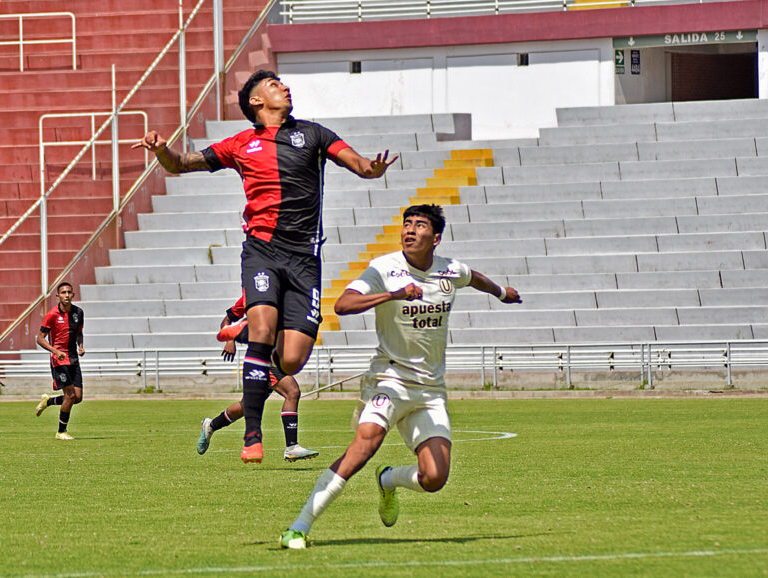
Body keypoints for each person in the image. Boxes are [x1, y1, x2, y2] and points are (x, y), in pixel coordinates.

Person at [134, 70, 397, 463]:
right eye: (275, 85)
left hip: (305, 259)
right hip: (262, 250)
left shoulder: (313, 134)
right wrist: (161, 151)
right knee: (261, 332)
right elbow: (181, 163)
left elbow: (354, 161)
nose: (285, 87)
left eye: (284, 84)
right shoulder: (241, 144)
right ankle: (252, 436)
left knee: (291, 360)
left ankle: (253, 333)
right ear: (256, 101)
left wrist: (368, 170)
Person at [279, 204, 521, 550]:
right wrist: (393, 294)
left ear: (435, 238)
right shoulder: (384, 268)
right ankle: (299, 526)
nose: (409, 230)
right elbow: (343, 305)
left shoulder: (450, 270)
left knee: (435, 478)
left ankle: (388, 478)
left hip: (430, 391)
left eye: (419, 225)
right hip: (388, 379)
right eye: (406, 224)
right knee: (366, 443)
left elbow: (474, 277)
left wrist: (501, 293)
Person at [197, 293, 318, 461]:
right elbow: (226, 321)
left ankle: (211, 425)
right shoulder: (251, 295)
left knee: (246, 406)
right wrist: (230, 341)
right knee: (292, 392)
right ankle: (292, 446)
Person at [34, 282, 85, 440]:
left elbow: (79, 334)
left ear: (73, 295)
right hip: (59, 360)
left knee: (77, 397)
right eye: (63, 292)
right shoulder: (52, 315)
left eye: (69, 292)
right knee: (69, 395)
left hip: (73, 359)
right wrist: (55, 351)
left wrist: (81, 346)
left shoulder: (78, 313)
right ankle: (61, 431)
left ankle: (48, 401)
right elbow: (40, 339)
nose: (67, 295)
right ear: (58, 296)